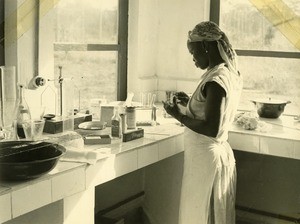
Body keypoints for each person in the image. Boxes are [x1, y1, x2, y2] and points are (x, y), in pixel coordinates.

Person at [163, 21, 243, 223]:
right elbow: (211, 109)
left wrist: (178, 115)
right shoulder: (225, 73)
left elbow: (211, 128)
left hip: (206, 158)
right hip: (210, 155)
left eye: (194, 53)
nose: (193, 59)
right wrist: (191, 101)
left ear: (206, 47)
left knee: (199, 216)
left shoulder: (215, 80)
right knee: (206, 215)